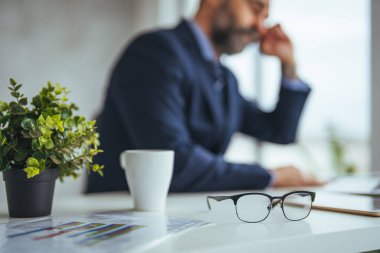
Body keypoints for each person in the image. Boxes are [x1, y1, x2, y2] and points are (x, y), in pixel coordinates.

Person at [86, 0, 322, 193]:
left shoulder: (226, 79)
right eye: (255, 8)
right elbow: (174, 162)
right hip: (123, 221)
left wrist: (288, 65)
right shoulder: (154, 52)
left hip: (188, 218)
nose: (261, 27)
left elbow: (279, 131)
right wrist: (269, 176)